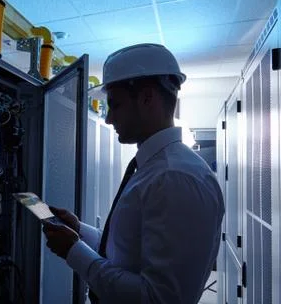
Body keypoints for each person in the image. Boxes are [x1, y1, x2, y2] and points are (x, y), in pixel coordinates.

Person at [42, 43, 225, 304]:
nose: (108, 119)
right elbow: (128, 256)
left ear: (147, 99)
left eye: (115, 105)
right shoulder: (156, 169)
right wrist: (80, 232)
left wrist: (74, 252)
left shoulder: (174, 178)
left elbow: (158, 299)